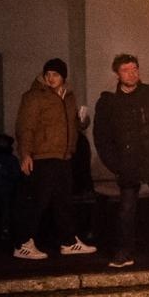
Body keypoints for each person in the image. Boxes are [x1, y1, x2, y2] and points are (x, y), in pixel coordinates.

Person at [94, 54, 149, 268]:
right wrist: (116, 164)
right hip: (128, 164)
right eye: (126, 70)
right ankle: (124, 251)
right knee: (126, 210)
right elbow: (102, 137)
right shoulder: (109, 102)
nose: (131, 74)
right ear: (117, 74)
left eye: (134, 69)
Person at [13, 58, 97, 260]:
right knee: (39, 201)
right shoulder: (35, 96)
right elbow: (25, 126)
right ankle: (23, 243)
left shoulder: (68, 97)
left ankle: (68, 242)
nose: (51, 78)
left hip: (63, 156)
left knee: (63, 201)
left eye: (55, 74)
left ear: (63, 77)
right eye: (48, 74)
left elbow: (72, 125)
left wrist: (82, 121)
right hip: (44, 156)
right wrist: (25, 154)